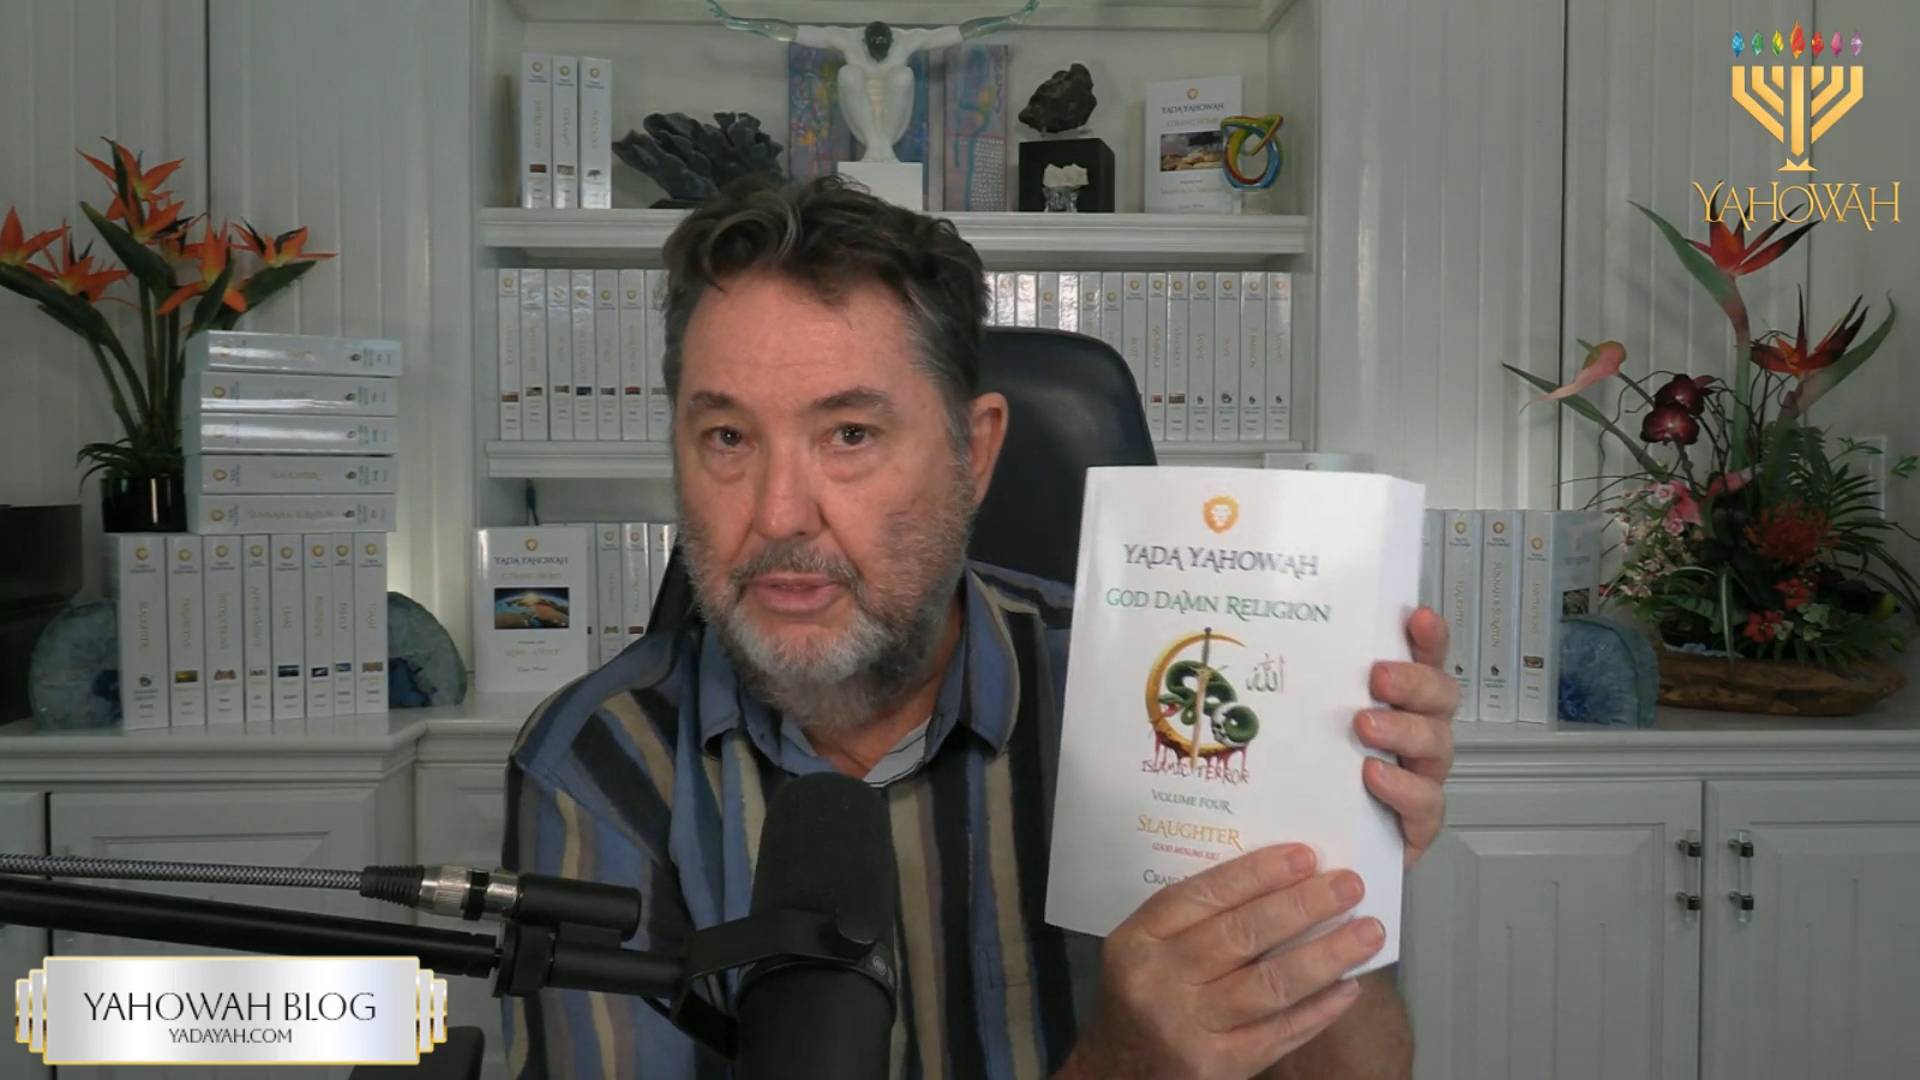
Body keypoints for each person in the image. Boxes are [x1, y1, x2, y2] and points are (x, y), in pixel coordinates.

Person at [501, 174, 1458, 1080]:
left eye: (849, 435)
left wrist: (1339, 869)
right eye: (727, 437)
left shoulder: (1150, 702)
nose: (780, 513)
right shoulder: (598, 763)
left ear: (976, 451)